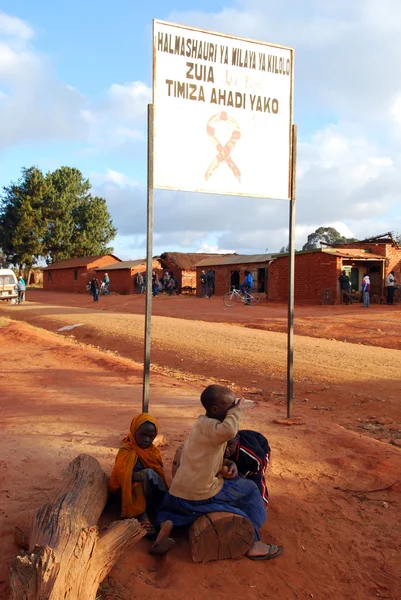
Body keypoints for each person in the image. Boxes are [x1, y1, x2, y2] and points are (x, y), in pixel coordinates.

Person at [153, 385, 283, 560]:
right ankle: (254, 542)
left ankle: (168, 522)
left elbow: (206, 458)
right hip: (199, 494)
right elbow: (229, 430)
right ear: (215, 409)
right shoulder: (216, 428)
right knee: (250, 489)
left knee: (189, 504)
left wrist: (227, 463)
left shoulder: (200, 424)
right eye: (229, 407)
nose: (232, 411)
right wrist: (236, 410)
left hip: (177, 493)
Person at [109, 413, 169, 539]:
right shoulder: (126, 450)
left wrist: (149, 478)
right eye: (143, 435)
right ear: (134, 431)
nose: (147, 439)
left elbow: (159, 474)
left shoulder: (154, 452)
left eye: (151, 436)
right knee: (141, 480)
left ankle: (163, 522)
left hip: (151, 491)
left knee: (163, 499)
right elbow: (121, 474)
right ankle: (144, 518)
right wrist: (141, 477)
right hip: (130, 493)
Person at [225, 431, 271, 507]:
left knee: (255, 479)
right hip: (242, 455)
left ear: (237, 441)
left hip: (261, 453)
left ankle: (262, 504)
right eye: (224, 445)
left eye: (230, 446)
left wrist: (244, 474)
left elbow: (259, 465)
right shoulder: (224, 448)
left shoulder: (251, 455)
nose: (226, 450)